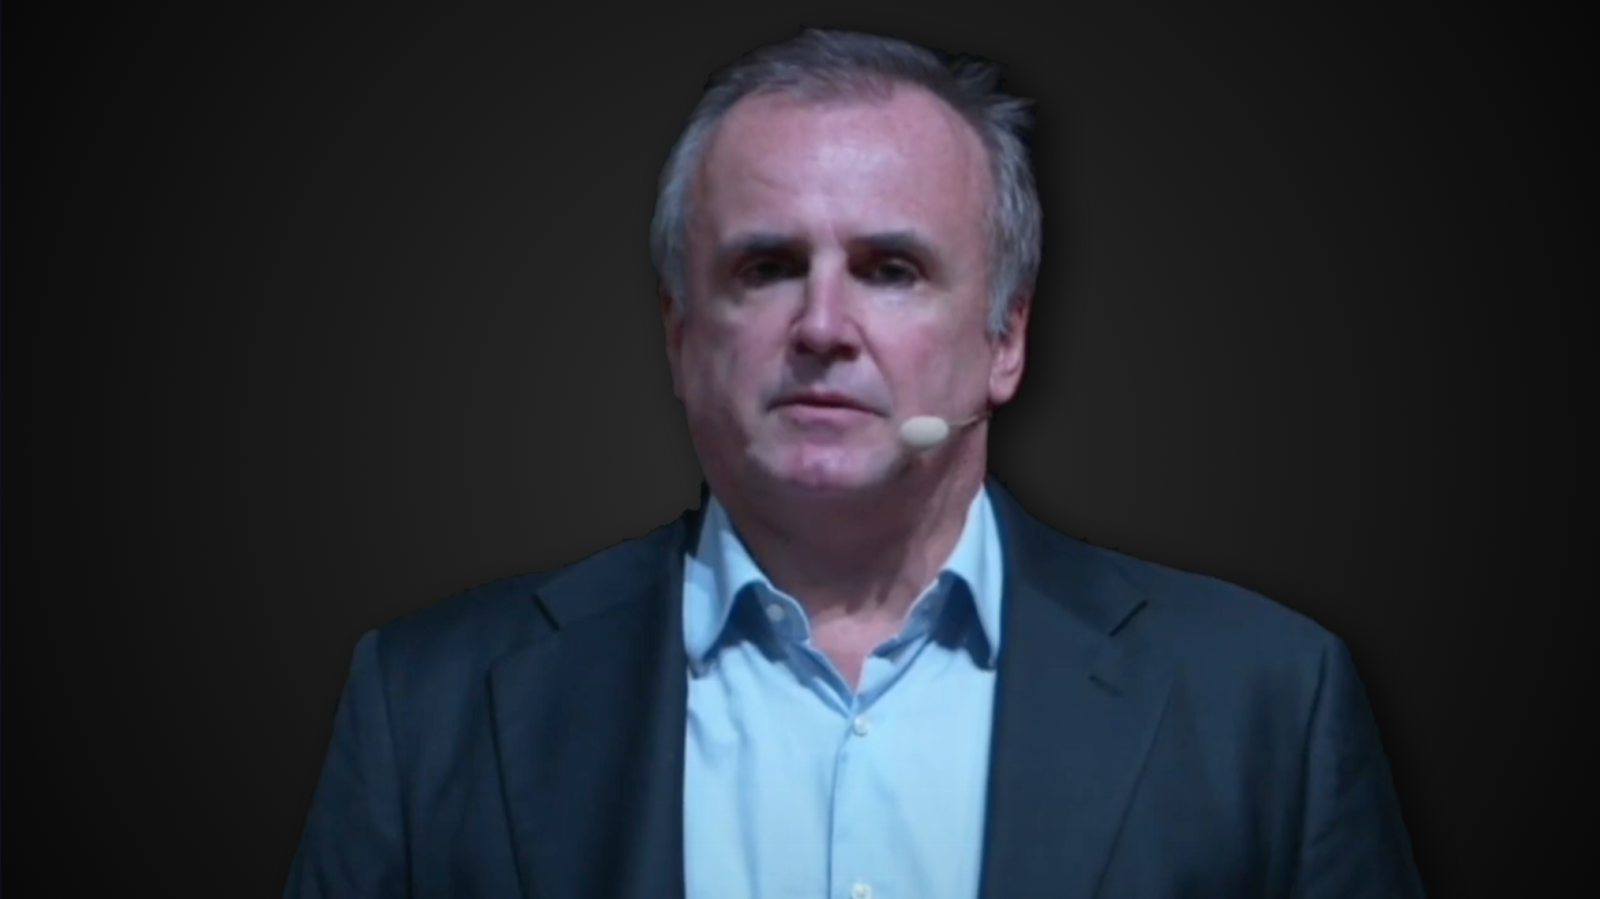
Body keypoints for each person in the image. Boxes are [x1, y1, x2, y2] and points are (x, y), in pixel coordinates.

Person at [285, 28, 1425, 898]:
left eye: (890, 269)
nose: (823, 326)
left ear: (1006, 338)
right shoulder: (428, 705)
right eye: (767, 266)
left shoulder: (1265, 703)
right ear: (680, 338)